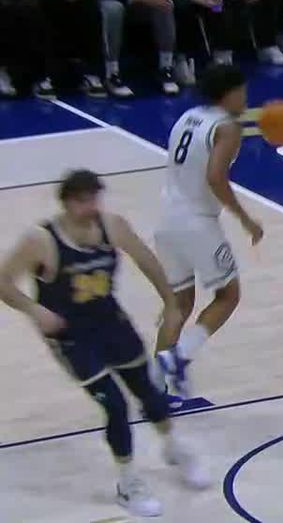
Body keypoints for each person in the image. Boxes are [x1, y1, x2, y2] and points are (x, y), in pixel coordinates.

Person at [0, 170, 210, 517]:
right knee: (114, 404)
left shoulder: (112, 225)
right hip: (70, 336)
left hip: (111, 323)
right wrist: (35, 311)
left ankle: (173, 447)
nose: (91, 206)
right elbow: (4, 281)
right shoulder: (41, 239)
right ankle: (128, 484)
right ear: (67, 203)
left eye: (94, 198)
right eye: (83, 201)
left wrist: (171, 302)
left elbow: (146, 259)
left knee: (148, 392)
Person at [153, 64, 263, 399]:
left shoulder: (187, 116)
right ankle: (179, 357)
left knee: (179, 304)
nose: (245, 98)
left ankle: (157, 389)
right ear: (228, 93)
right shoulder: (227, 127)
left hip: (166, 218)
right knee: (229, 296)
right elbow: (215, 177)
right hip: (197, 223)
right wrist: (245, 219)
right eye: (242, 91)